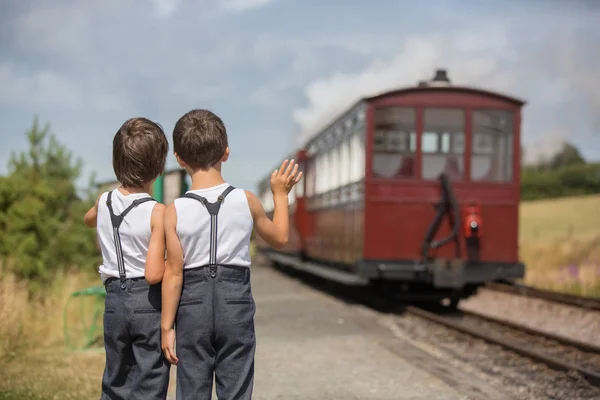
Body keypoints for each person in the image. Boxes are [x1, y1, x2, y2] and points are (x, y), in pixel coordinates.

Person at [161, 109, 302, 400]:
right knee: (236, 389)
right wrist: (280, 195)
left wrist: (166, 327)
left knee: (191, 389)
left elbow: (173, 273)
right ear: (226, 153)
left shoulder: (174, 212)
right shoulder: (246, 200)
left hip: (192, 307)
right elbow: (280, 238)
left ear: (179, 158)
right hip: (234, 304)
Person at [84, 117, 171, 400]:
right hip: (146, 301)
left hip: (114, 303)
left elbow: (89, 220)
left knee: (116, 374)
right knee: (150, 374)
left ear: (116, 162)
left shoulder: (103, 201)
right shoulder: (157, 212)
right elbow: (154, 273)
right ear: (158, 169)